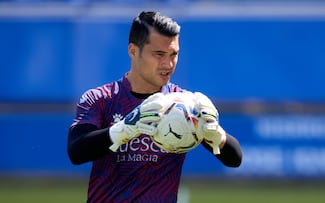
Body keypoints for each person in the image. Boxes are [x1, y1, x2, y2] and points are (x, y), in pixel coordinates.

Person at [67, 11, 242, 203]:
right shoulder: (100, 98)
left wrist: (217, 134)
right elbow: (76, 151)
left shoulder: (184, 105)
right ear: (133, 51)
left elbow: (234, 159)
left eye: (174, 54)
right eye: (158, 54)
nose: (168, 64)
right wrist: (124, 130)